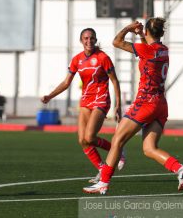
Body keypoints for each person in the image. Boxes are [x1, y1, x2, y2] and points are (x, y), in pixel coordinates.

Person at [83, 18, 183, 195]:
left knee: (118, 140)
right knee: (149, 148)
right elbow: (147, 51)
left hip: (146, 102)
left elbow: (116, 42)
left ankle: (103, 182)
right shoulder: (163, 50)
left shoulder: (147, 49)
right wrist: (142, 35)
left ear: (148, 32)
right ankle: (180, 169)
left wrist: (129, 28)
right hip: (160, 105)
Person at [41, 28, 125, 183]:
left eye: (92, 38)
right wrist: (50, 96)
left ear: (95, 39)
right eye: (86, 38)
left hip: (101, 99)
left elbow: (114, 81)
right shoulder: (76, 60)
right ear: (81, 40)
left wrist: (118, 105)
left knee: (89, 137)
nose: (89, 41)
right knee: (82, 140)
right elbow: (66, 83)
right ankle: (102, 168)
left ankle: (118, 151)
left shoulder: (103, 58)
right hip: (86, 101)